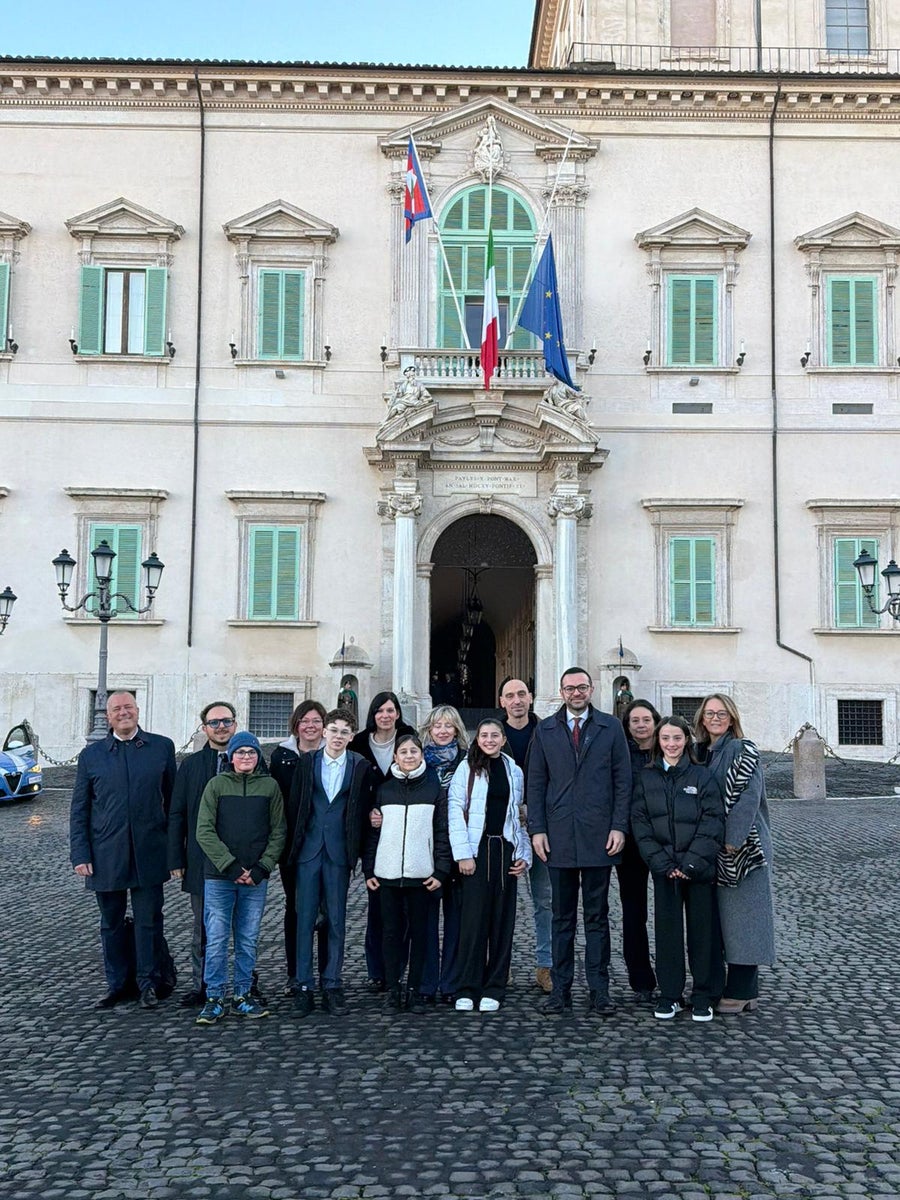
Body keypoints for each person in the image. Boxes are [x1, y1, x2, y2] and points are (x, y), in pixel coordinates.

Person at [527, 667, 631, 1017]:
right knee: (561, 917)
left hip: (599, 835)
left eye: (582, 687)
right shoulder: (546, 729)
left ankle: (599, 990)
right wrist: (537, 830)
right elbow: (536, 784)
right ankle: (560, 990)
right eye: (570, 688)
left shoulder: (610, 727)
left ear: (590, 690)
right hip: (557, 837)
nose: (576, 693)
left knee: (598, 917)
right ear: (561, 691)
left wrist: (619, 827)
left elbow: (622, 780)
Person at [70, 691, 177, 1010]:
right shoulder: (92, 756)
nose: (123, 712)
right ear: (107, 715)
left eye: (128, 707)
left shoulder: (161, 747)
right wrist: (80, 853)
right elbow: (80, 808)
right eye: (117, 709)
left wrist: (175, 852)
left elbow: (173, 804)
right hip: (106, 853)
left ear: (138, 710)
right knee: (111, 923)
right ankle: (118, 984)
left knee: (149, 921)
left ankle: (148, 983)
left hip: (150, 850)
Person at [631, 716, 724, 1023]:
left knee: (703, 934)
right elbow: (640, 824)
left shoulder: (702, 776)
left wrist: (691, 863)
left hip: (697, 869)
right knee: (667, 934)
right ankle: (670, 994)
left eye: (677, 738)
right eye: (666, 739)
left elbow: (713, 822)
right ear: (659, 742)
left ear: (687, 741)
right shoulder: (646, 778)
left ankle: (703, 995)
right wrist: (662, 863)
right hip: (665, 869)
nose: (671, 744)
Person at [194, 732, 286, 1024]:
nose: (246, 756)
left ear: (258, 757)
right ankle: (214, 997)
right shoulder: (216, 785)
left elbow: (278, 831)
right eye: (241, 751)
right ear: (231, 756)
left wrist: (262, 868)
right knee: (217, 938)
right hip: (220, 877)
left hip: (255, 878)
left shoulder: (270, 787)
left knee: (248, 939)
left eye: (251, 752)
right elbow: (204, 831)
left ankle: (242, 994)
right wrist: (231, 866)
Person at [288, 708, 373, 1017]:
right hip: (309, 850)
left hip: (339, 852)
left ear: (352, 737)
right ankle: (303, 985)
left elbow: (362, 807)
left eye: (344, 732)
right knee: (304, 919)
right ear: (323, 732)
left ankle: (332, 983)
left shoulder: (359, 766)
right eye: (333, 729)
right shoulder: (307, 763)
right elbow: (296, 805)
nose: (338, 736)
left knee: (336, 920)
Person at [694, 694, 776, 1014]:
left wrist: (733, 840)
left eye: (722, 713)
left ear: (732, 718)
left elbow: (748, 797)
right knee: (727, 921)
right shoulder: (706, 753)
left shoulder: (742, 750)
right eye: (710, 713)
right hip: (718, 850)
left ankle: (743, 990)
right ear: (702, 719)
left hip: (744, 851)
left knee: (745, 920)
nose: (715, 718)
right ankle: (735, 988)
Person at [363, 733, 452, 1013]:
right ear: (395, 757)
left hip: (421, 874)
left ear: (421, 755)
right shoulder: (385, 790)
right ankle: (392, 989)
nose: (409, 756)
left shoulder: (433, 789)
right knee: (390, 933)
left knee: (420, 934)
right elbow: (373, 835)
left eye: (414, 751)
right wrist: (369, 869)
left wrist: (440, 870)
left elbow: (441, 832)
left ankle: (415, 989)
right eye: (404, 752)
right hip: (387, 874)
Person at [448, 719, 531, 1012]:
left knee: (501, 921)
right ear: (477, 738)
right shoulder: (466, 767)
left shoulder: (513, 770)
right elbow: (455, 810)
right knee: (473, 922)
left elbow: (518, 816)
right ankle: (467, 986)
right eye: (484, 735)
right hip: (476, 849)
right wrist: (463, 854)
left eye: (495, 735)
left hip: (504, 849)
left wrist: (524, 854)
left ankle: (495, 986)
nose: (489, 739)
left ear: (503, 738)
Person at [167, 700, 237, 1008]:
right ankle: (204, 985)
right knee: (203, 930)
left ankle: (245, 983)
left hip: (241, 860)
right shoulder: (192, 765)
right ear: (204, 728)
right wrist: (175, 858)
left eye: (226, 721)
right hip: (200, 860)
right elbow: (177, 814)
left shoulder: (250, 759)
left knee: (244, 929)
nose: (221, 727)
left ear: (235, 724)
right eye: (214, 723)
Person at [349, 692, 415, 990]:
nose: (385, 715)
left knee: (405, 907)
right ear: (372, 714)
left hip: (406, 830)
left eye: (391, 710)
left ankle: (401, 968)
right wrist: (367, 815)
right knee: (377, 904)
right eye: (380, 710)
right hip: (373, 833)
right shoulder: (359, 743)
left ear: (398, 713)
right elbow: (352, 791)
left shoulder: (410, 739)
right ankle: (377, 969)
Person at [269, 699, 327, 993]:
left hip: (326, 844)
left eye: (316, 721)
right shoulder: (281, 757)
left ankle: (328, 975)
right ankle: (296, 972)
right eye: (305, 721)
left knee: (327, 910)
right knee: (295, 908)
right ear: (296, 725)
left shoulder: (335, 753)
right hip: (292, 846)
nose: (310, 726)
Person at [497, 676, 551, 995]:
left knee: (545, 899)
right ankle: (499, 966)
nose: (516, 700)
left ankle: (545, 965)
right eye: (510, 696)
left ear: (530, 698)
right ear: (502, 701)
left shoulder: (546, 732)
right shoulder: (492, 734)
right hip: (502, 831)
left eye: (521, 694)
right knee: (500, 901)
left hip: (541, 827)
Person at [418, 704, 468, 1002]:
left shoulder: (467, 761)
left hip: (458, 847)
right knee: (425, 921)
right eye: (437, 725)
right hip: (425, 850)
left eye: (449, 725)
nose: (443, 730)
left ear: (457, 730)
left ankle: (451, 982)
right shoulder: (416, 761)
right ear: (429, 729)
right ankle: (426, 983)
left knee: (456, 921)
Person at [618, 698, 662, 1004]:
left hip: (666, 842)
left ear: (656, 722)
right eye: (635, 720)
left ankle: (673, 975)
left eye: (646, 719)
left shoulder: (671, 749)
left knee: (669, 912)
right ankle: (641, 978)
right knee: (634, 912)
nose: (641, 725)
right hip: (632, 843)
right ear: (627, 725)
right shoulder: (620, 754)